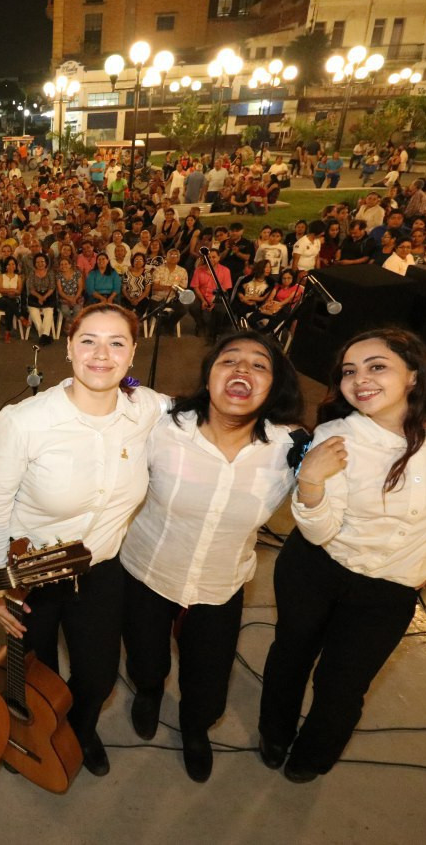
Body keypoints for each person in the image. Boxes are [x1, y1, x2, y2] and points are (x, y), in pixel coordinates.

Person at [258, 328, 426, 783]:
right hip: (317, 568)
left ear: (413, 374)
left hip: (391, 587)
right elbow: (322, 530)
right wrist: (310, 480)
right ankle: (274, 732)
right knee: (291, 654)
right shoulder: (336, 436)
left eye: (377, 366)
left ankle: (312, 756)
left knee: (343, 684)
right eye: (349, 371)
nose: (359, 380)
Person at [0, 303, 163, 778]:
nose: (102, 354)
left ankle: (79, 732)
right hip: (31, 572)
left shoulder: (146, 409)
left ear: (132, 353)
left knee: (98, 677)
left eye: (116, 343)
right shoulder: (23, 421)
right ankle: (33, 730)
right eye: (89, 341)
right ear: (68, 348)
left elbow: (205, 412)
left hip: (99, 571)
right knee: (35, 674)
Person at [122, 332, 304, 781]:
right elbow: (115, 391)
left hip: (220, 585)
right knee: (146, 659)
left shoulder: (290, 449)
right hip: (147, 570)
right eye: (230, 361)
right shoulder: (163, 425)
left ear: (275, 384)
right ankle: (147, 692)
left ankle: (195, 730)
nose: (243, 370)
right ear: (208, 377)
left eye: (259, 365)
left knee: (208, 685)